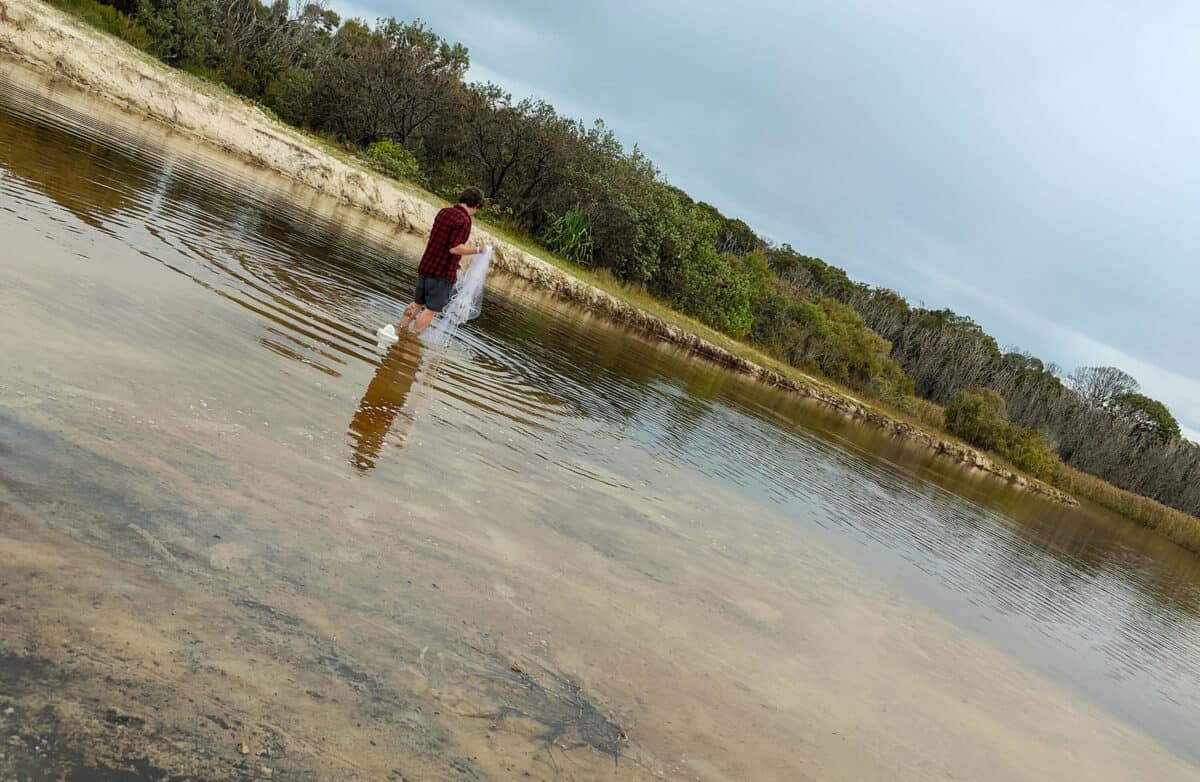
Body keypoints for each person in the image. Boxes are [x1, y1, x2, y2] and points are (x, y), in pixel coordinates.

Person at [397, 187, 487, 335]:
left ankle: (399, 329)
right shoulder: (464, 220)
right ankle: (411, 339)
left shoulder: (444, 212)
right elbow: (454, 248)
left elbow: (442, 241)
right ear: (476, 205)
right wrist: (477, 250)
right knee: (431, 310)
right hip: (442, 272)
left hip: (426, 266)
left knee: (416, 303)